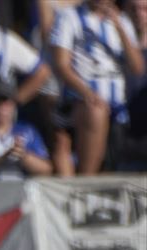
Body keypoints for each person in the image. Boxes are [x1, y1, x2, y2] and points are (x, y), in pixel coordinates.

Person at [49, 0, 144, 174]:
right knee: (96, 112)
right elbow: (61, 65)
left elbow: (137, 68)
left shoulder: (122, 20)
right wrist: (87, 92)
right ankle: (87, 179)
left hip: (118, 105)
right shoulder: (68, 17)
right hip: (80, 99)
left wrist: (120, 28)